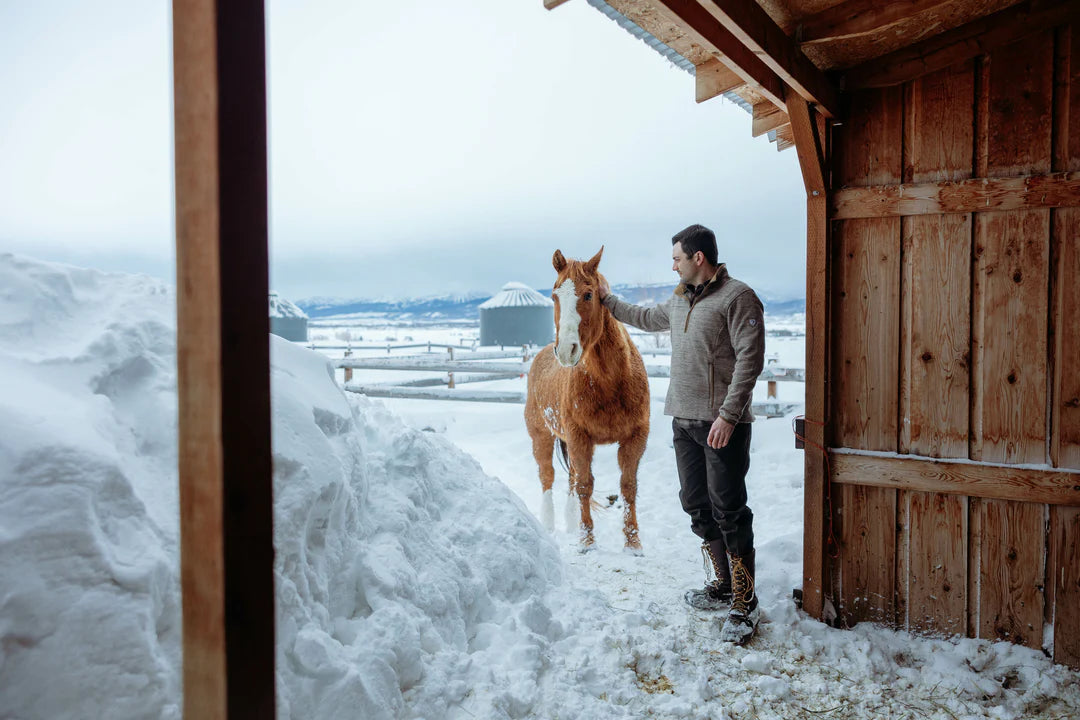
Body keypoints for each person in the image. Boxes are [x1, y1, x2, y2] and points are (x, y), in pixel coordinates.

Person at [598, 224, 765, 646]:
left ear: (698, 258)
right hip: (684, 422)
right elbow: (642, 317)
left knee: (729, 509)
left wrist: (729, 415)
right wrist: (605, 301)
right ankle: (722, 585)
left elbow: (751, 359)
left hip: (721, 425)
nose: (671, 265)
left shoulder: (738, 297)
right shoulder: (678, 302)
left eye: (676, 258)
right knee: (695, 503)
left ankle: (746, 602)